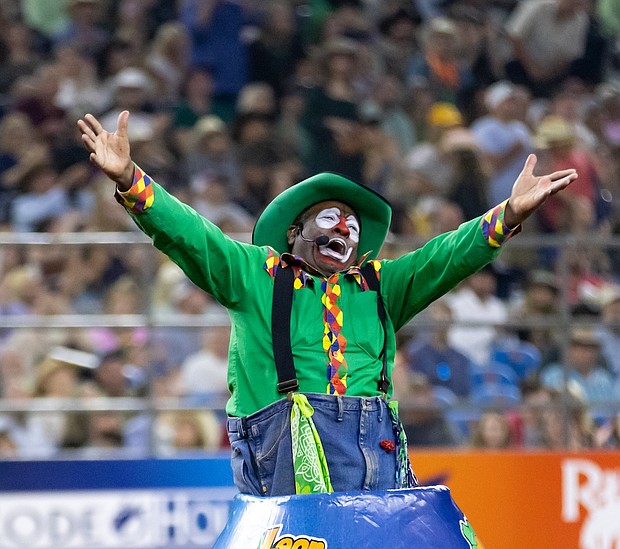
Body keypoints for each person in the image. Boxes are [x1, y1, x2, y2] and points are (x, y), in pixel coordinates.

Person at [78, 109, 578, 497]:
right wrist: (131, 180)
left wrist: (507, 215)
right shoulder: (256, 274)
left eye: (352, 225)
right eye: (330, 218)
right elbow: (192, 235)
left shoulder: (383, 285)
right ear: (294, 232)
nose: (343, 228)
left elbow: (447, 255)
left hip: (375, 448)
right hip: (282, 454)